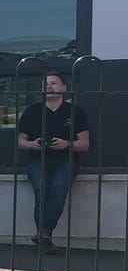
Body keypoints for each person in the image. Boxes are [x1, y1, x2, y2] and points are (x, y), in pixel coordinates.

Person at [16, 70, 90, 253]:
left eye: (53, 83)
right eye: (46, 83)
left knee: (58, 190)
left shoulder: (75, 111)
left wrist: (67, 144)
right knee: (41, 191)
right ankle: (45, 236)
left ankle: (43, 233)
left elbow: (85, 144)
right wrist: (32, 144)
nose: (49, 86)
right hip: (38, 158)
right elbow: (20, 141)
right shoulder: (32, 111)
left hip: (65, 159)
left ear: (64, 88)